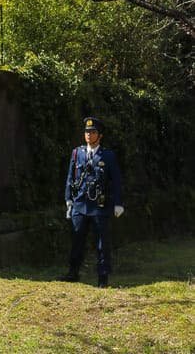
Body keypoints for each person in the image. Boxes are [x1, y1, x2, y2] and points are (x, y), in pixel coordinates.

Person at [61, 116, 124, 288]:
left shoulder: (108, 156)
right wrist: (69, 199)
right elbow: (70, 177)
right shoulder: (77, 153)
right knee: (76, 240)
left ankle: (103, 278)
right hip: (80, 204)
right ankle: (73, 273)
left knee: (102, 243)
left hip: (99, 206)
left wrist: (118, 203)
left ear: (100, 135)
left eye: (93, 132)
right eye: (87, 132)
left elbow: (116, 181)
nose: (89, 135)